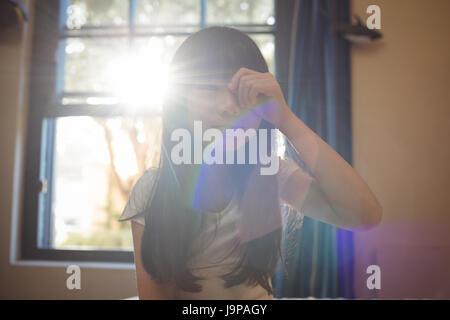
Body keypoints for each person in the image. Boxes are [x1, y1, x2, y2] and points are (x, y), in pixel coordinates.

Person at [119, 26, 382, 300]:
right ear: (180, 104)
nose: (227, 106)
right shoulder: (152, 192)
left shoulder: (271, 174)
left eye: (240, 93)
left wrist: (286, 119)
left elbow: (365, 216)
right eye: (209, 88)